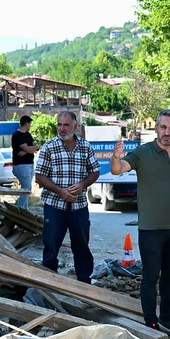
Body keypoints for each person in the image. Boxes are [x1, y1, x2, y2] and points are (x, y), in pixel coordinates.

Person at [110, 109, 170, 337]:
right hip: (150, 228)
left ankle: (168, 319)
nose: (167, 132)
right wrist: (115, 158)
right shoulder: (143, 152)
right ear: (156, 128)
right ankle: (151, 323)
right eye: (163, 127)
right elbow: (118, 170)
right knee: (150, 276)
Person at [34, 111, 101, 283]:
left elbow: (94, 172)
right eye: (59, 125)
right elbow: (39, 177)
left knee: (82, 247)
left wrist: (82, 185)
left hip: (79, 207)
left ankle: (84, 284)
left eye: (66, 125)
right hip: (55, 206)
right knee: (51, 247)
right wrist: (61, 191)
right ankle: (50, 284)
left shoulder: (85, 146)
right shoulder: (49, 147)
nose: (62, 129)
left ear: (75, 126)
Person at [11, 115, 37, 209]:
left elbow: (36, 146)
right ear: (26, 123)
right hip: (21, 165)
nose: (30, 125)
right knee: (26, 189)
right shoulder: (17, 135)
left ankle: (25, 209)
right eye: (29, 124)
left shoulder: (28, 134)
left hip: (30, 163)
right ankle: (21, 209)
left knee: (26, 188)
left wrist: (28, 150)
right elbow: (28, 148)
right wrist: (29, 150)